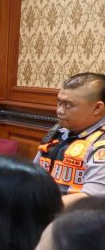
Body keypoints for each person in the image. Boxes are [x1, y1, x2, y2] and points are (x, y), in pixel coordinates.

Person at [34, 72, 105, 205]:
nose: (60, 111)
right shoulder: (60, 131)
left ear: (97, 108)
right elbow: (33, 175)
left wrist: (37, 209)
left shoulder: (101, 142)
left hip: (78, 215)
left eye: (68, 105)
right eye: (59, 102)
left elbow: (91, 199)